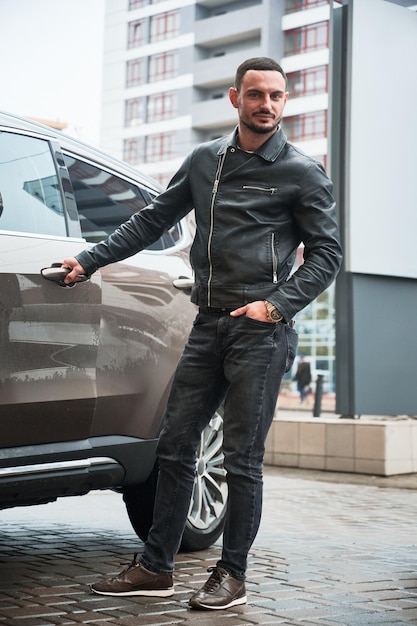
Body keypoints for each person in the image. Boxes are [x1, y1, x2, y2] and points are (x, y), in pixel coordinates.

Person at [62, 57, 342, 611]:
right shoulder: (203, 161)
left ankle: (232, 575)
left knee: (242, 459)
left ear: (285, 103)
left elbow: (328, 255)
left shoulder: (303, 173)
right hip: (207, 321)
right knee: (175, 446)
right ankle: (156, 566)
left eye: (277, 97)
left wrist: (276, 305)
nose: (267, 105)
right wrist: (90, 260)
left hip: (260, 331)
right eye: (257, 95)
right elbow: (152, 221)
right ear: (235, 98)